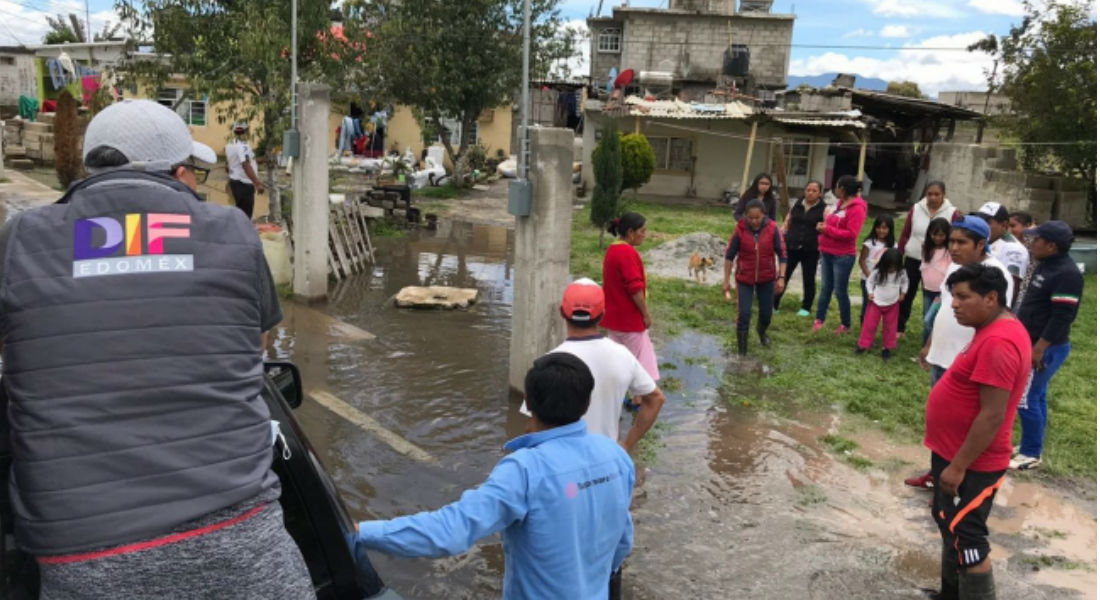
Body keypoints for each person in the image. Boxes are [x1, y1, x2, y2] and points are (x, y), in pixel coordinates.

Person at [0, 100, 313, 598]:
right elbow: (252, 351)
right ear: (181, 171)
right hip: (241, 540)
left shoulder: (23, 239)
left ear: (89, 167)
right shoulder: (233, 232)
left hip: (83, 556)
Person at [357, 353, 635, 599]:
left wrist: (363, 532)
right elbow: (623, 540)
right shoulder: (616, 456)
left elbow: (450, 531)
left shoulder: (525, 469)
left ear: (528, 402)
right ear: (587, 404)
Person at [923, 264, 1031, 600]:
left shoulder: (999, 342)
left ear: (991, 298)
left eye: (962, 297)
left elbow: (992, 414)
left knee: (968, 538)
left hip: (972, 462)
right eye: (953, 296)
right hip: (953, 451)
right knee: (949, 522)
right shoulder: (991, 327)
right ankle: (950, 594)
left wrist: (958, 466)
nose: (953, 304)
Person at [906, 216, 1013, 490]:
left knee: (961, 427)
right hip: (942, 354)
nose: (953, 247)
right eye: (951, 241)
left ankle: (956, 478)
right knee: (942, 424)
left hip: (965, 362)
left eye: (961, 242)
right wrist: (931, 343)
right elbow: (943, 307)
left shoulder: (995, 275)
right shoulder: (957, 267)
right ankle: (935, 473)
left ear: (981, 244)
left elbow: (996, 322)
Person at [519, 279, 666, 452]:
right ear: (603, 314)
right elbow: (656, 399)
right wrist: (626, 445)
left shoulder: (549, 363)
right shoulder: (623, 355)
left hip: (563, 465)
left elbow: (532, 428)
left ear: (562, 312)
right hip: (606, 460)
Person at [1010, 220, 1083, 471]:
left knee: (1026, 397)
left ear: (1051, 245)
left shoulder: (1067, 274)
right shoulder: (1044, 265)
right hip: (1031, 341)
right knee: (1037, 395)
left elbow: (1063, 317)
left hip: (1045, 348)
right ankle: (1032, 443)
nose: (1032, 242)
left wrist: (1039, 348)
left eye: (1037, 239)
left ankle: (1031, 453)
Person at [722, 199, 787, 355]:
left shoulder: (772, 228)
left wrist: (781, 277)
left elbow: (783, 254)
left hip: (767, 278)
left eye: (757, 218)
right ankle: (742, 352)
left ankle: (761, 331)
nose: (753, 221)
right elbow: (729, 256)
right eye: (750, 217)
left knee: (766, 314)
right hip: (745, 278)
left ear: (763, 215)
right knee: (744, 314)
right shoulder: (740, 229)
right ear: (746, 216)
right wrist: (726, 281)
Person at [896, 181, 960, 337]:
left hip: (937, 263)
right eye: (929, 194)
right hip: (913, 257)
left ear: (943, 195)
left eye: (936, 194)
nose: (932, 197)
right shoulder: (917, 208)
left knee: (933, 296)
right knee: (906, 292)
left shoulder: (952, 212)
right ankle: (899, 327)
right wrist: (899, 253)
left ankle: (932, 329)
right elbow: (906, 233)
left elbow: (957, 236)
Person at [602, 212, 660, 382]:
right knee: (640, 364)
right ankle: (638, 398)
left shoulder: (612, 250)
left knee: (618, 361)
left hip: (613, 318)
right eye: (642, 231)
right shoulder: (627, 253)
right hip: (629, 319)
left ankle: (622, 393)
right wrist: (645, 314)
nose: (645, 235)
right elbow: (635, 288)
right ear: (630, 232)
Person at [813, 175, 867, 334]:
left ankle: (846, 324)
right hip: (827, 251)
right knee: (825, 288)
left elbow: (851, 234)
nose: (835, 190)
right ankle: (819, 319)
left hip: (843, 256)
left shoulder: (857, 208)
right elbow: (834, 224)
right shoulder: (839, 204)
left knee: (839, 290)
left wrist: (827, 230)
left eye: (836, 187)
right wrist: (824, 226)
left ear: (842, 189)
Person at [775, 180, 826, 316]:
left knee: (808, 278)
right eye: (808, 189)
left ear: (820, 193)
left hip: (811, 249)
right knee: (783, 275)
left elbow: (827, 226)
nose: (810, 193)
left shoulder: (824, 209)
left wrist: (822, 229)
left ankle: (806, 307)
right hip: (791, 246)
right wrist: (780, 236)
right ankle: (774, 303)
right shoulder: (797, 205)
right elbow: (787, 222)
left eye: (814, 191)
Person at [855, 247, 907, 360]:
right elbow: (869, 282)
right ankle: (863, 345)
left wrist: (903, 293)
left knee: (890, 327)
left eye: (894, 266)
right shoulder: (878, 271)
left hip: (893, 304)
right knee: (869, 324)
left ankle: (887, 348)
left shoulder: (901, 272)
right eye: (890, 266)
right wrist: (870, 292)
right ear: (884, 263)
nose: (892, 269)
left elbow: (905, 282)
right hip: (876, 302)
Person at [974, 202, 1030, 303]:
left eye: (987, 223)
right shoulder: (985, 241)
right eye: (979, 221)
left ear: (1004, 225)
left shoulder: (1014, 249)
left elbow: (1012, 286)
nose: (981, 226)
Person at [919, 218, 953, 345]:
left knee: (929, 320)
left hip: (941, 293)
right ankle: (926, 348)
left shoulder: (949, 251)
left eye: (941, 235)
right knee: (927, 319)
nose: (937, 238)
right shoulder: (926, 247)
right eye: (934, 234)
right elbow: (924, 267)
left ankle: (930, 349)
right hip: (928, 290)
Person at [858, 215, 894, 327]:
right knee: (868, 304)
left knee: (880, 306)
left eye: (885, 228)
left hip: (884, 282)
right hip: (867, 281)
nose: (881, 230)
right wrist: (870, 276)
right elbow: (862, 260)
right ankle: (864, 326)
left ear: (890, 229)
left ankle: (874, 326)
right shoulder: (869, 243)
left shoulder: (893, 245)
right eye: (879, 227)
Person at [224, 121, 265, 219]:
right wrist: (257, 183)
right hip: (244, 185)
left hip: (235, 182)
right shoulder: (243, 146)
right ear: (246, 132)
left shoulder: (230, 144)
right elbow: (245, 165)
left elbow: (230, 164)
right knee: (246, 217)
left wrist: (263, 160)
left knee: (239, 214)